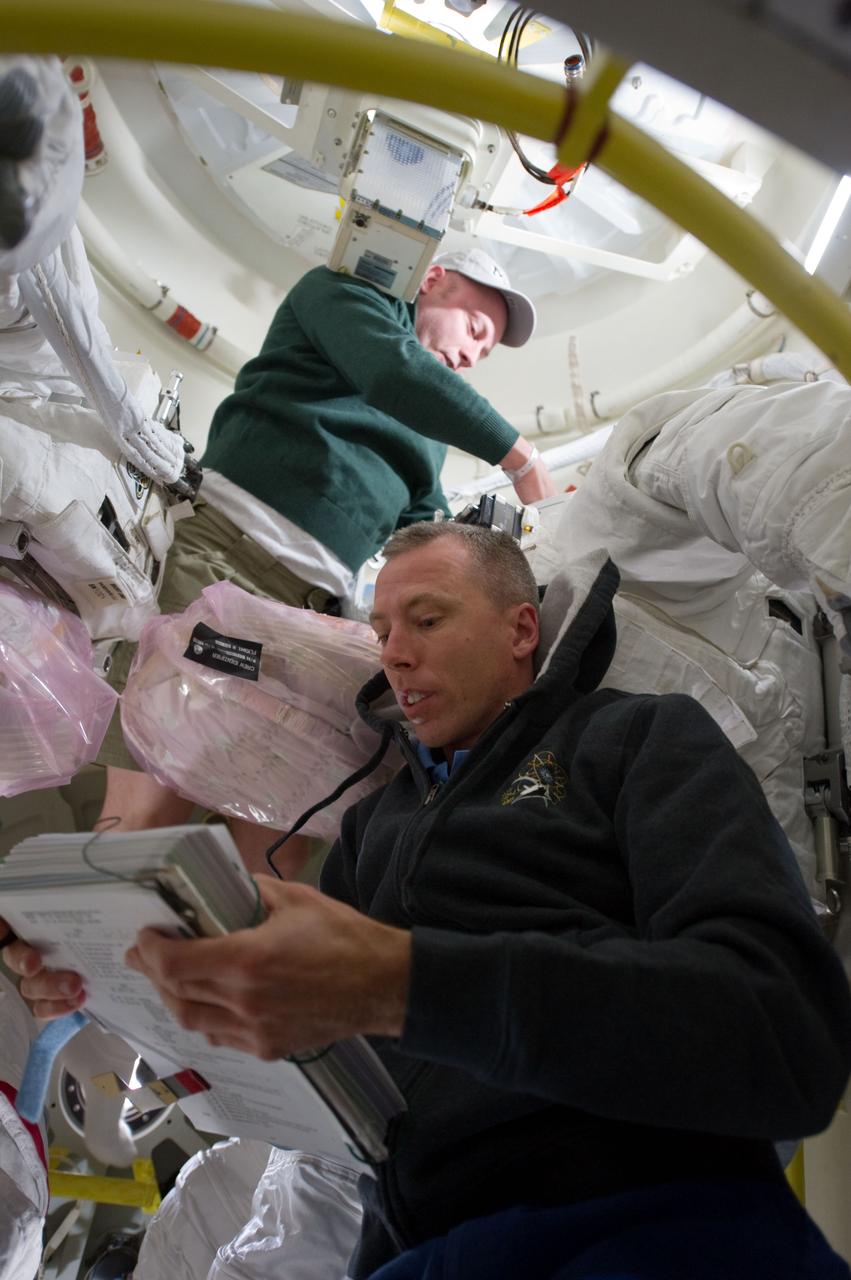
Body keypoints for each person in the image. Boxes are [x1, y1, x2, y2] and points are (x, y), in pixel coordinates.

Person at [8, 521, 851, 1279]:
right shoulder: (375, 824)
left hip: (648, 1226)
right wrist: (128, 994)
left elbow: (784, 1035)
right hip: (408, 1244)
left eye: (427, 619)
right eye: (379, 632)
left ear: (522, 628)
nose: (394, 654)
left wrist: (404, 983)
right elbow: (307, 1053)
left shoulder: (636, 739)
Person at [96, 248, 555, 877]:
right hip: (227, 564)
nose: (475, 356)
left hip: (308, 621)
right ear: (433, 280)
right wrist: (522, 459)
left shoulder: (430, 435)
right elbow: (395, 374)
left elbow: (425, 537)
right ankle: (76, 953)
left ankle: (234, 966)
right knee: (150, 800)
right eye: (477, 329)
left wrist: (528, 552)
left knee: (281, 835)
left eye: (487, 352)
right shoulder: (346, 297)